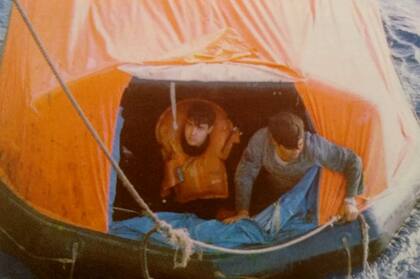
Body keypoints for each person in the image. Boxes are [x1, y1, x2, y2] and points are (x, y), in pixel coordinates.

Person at [224, 111, 363, 224]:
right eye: (291, 149)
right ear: (274, 142)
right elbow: (245, 173)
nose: (298, 151)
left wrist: (350, 200)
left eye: (300, 145)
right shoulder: (260, 141)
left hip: (301, 197)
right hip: (271, 190)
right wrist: (242, 211)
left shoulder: (314, 147)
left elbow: (353, 161)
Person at [156, 99, 240, 219]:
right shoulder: (170, 152)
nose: (192, 133)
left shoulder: (225, 153)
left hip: (213, 212)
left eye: (200, 128)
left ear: (210, 130)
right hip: (180, 213)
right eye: (190, 125)